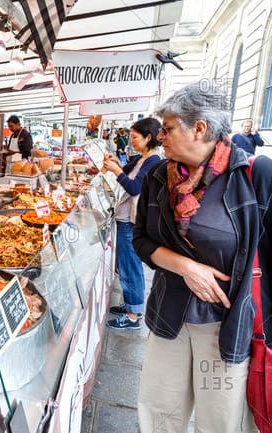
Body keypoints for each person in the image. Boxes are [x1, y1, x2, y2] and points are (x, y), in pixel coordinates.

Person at [133, 81, 272, 433]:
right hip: (170, 318)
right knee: (159, 415)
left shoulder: (255, 175)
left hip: (227, 326)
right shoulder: (156, 177)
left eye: (167, 129)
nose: (160, 137)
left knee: (219, 421)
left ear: (200, 128)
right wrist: (186, 267)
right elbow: (141, 241)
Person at [103, 117, 162, 330]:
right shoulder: (142, 158)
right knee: (126, 265)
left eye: (135, 137)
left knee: (131, 267)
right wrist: (115, 165)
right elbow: (125, 171)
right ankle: (131, 304)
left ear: (149, 137)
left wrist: (117, 171)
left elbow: (134, 187)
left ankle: (133, 315)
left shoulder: (153, 161)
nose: (131, 140)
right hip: (124, 219)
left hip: (131, 221)